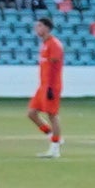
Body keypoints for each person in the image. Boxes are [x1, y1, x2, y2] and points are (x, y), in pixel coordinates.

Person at [29, 13, 65, 158]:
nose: (36, 28)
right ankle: (52, 136)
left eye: (39, 26)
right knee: (31, 113)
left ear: (47, 28)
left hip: (51, 86)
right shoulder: (44, 44)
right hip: (43, 85)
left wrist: (50, 87)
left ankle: (55, 149)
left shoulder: (54, 44)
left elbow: (54, 67)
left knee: (52, 115)